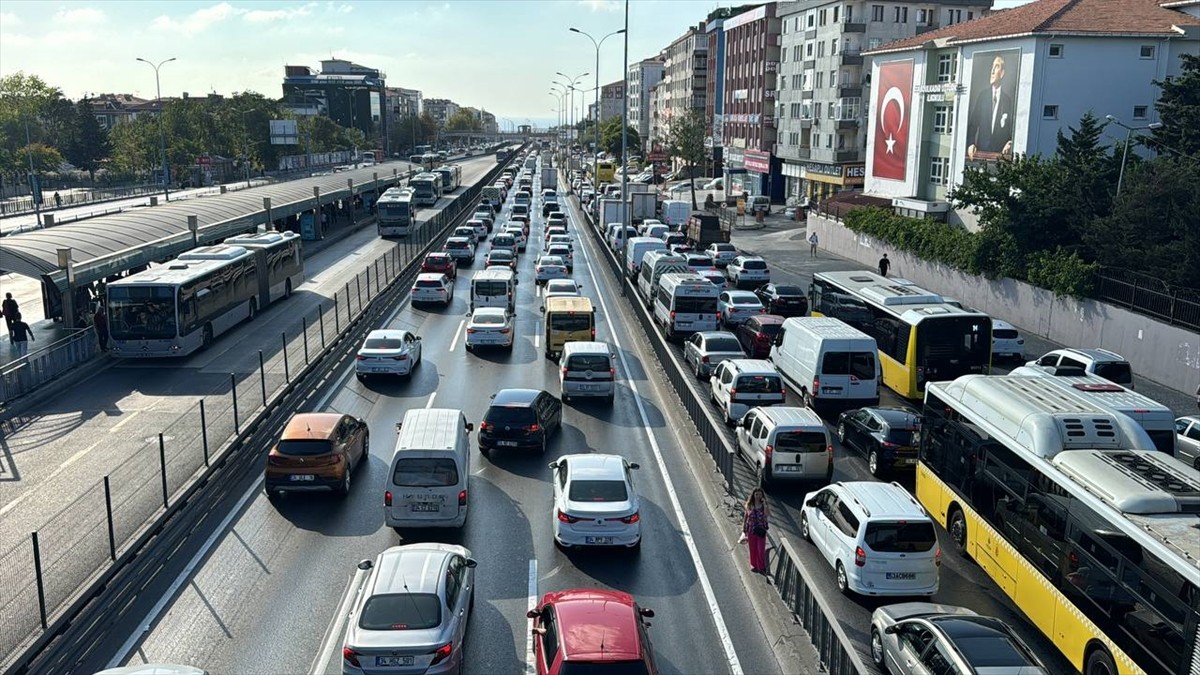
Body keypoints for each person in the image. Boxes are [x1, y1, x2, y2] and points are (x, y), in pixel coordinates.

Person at [967, 55, 1015, 161]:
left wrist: (1010, 142)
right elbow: (973, 124)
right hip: (982, 154)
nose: (992, 71)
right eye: (992, 67)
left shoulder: (1008, 101)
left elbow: (1012, 128)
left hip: (1000, 157)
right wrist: (970, 144)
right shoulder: (982, 96)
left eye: (996, 66)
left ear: (1002, 73)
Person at [742, 487, 770, 574]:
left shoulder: (763, 506)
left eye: (760, 494)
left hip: (761, 530)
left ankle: (761, 566)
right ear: (753, 495)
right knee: (752, 548)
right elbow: (746, 516)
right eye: (756, 494)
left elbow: (767, 514)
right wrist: (744, 527)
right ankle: (753, 565)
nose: (758, 496)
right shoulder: (749, 505)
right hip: (751, 529)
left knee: (760, 549)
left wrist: (765, 505)